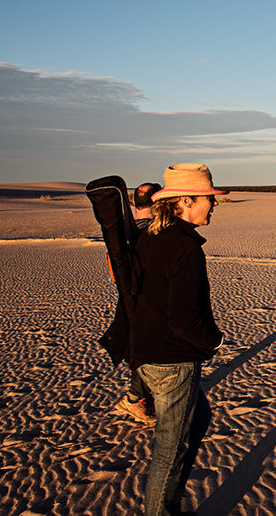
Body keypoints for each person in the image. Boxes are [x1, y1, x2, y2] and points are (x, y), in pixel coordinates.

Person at [130, 163, 226, 516]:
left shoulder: (152, 236)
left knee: (197, 422)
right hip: (171, 359)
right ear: (185, 201)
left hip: (149, 353)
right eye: (208, 200)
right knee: (169, 451)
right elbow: (183, 319)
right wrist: (213, 341)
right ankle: (162, 509)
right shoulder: (185, 248)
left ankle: (168, 504)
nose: (213, 205)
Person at [112, 182, 162, 426]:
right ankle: (136, 398)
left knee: (142, 349)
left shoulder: (123, 232)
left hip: (128, 299)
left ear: (134, 202)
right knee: (147, 351)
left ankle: (138, 396)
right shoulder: (153, 233)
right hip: (147, 301)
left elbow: (113, 272)